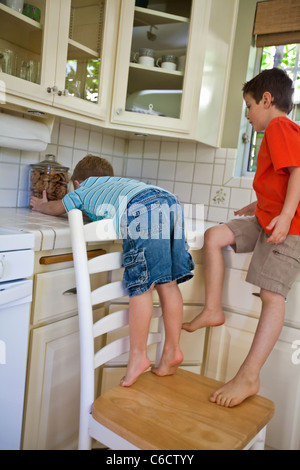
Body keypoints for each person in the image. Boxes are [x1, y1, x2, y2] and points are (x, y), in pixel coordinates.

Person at [182, 68, 300, 407]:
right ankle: (213, 309)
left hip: (289, 227)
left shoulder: (279, 126)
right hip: (269, 216)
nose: (247, 116)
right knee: (215, 235)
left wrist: (287, 214)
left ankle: (249, 375)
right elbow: (282, 180)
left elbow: (298, 172)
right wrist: (261, 203)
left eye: (248, 106)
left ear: (266, 100)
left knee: (271, 296)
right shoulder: (278, 133)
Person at [30, 154, 195, 387]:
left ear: (76, 183)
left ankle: (137, 356)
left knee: (141, 285)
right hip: (169, 201)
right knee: (168, 282)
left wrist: (40, 205)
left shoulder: (83, 190)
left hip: (142, 208)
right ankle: (173, 350)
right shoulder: (118, 185)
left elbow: (59, 208)